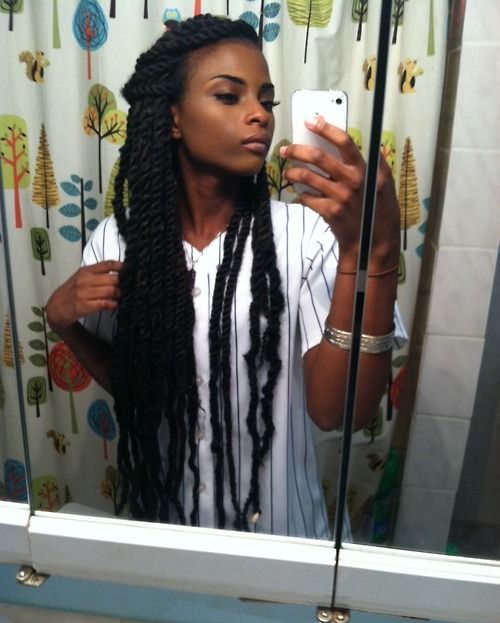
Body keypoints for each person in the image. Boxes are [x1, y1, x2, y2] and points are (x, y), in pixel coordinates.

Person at [46, 14, 402, 538]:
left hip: (285, 541)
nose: (259, 115)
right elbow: (138, 386)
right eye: (230, 96)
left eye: (267, 101)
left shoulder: (309, 235)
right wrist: (64, 324)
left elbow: (338, 412)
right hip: (171, 535)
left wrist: (373, 254)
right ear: (173, 118)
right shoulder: (117, 242)